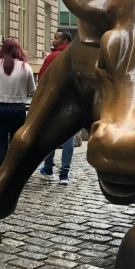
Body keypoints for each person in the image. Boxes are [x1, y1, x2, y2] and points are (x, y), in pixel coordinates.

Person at [0, 39, 35, 171]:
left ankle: (0, 175)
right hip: (19, 109)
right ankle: (15, 173)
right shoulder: (25, 67)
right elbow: (32, 90)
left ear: (2, 49)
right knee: (16, 145)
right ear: (18, 50)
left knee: (1, 146)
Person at [38, 30, 75, 184]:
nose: (53, 40)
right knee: (69, 138)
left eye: (56, 38)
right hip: (72, 102)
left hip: (53, 102)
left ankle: (48, 169)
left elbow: (41, 79)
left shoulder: (53, 57)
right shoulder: (77, 57)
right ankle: (64, 175)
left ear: (65, 40)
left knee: (50, 135)